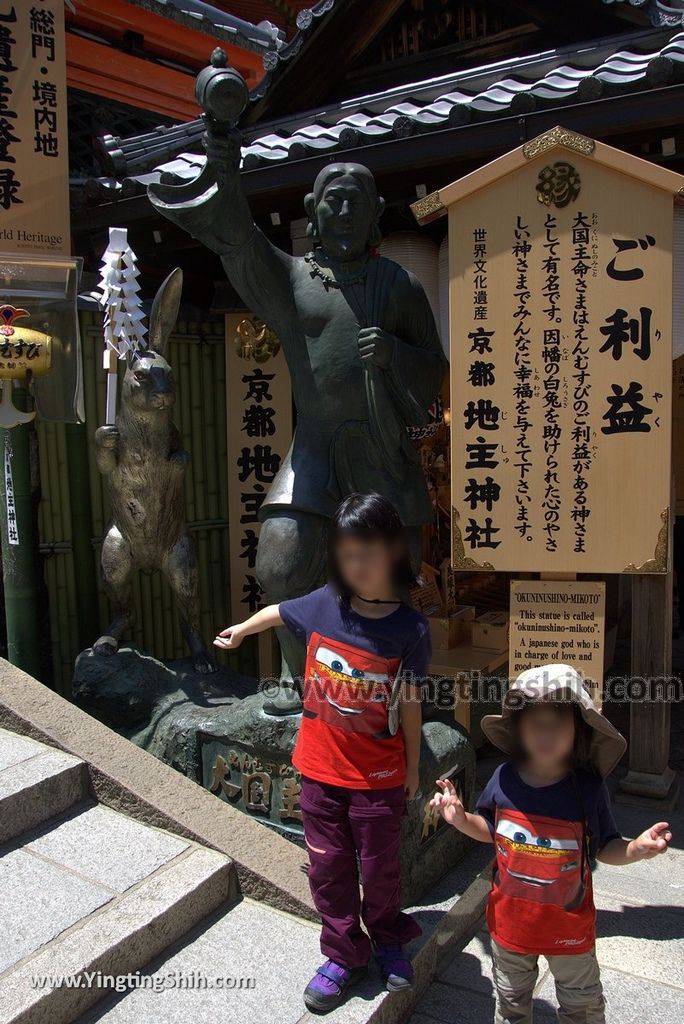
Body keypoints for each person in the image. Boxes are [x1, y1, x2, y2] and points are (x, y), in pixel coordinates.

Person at [150, 126, 446, 715]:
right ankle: (298, 675)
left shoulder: (399, 286)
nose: (342, 212)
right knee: (281, 563)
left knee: (391, 579)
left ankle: (382, 687)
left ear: (374, 216)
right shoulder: (293, 281)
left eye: (354, 203)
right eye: (331, 200)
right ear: (312, 211)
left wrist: (395, 354)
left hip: (381, 455)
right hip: (313, 449)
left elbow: (434, 369)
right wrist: (220, 150)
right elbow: (239, 241)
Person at [214, 493, 431, 1012]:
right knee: (329, 869)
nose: (358, 565)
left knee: (380, 869)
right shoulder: (323, 603)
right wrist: (243, 630)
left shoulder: (411, 629)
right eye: (347, 553)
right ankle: (341, 953)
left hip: (379, 776)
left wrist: (414, 768)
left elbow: (411, 703)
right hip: (319, 773)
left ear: (394, 550)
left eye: (369, 552)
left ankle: (387, 938)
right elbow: (278, 611)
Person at [430, 664, 672, 1024]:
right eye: (535, 722)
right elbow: (490, 829)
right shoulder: (504, 779)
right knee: (511, 1003)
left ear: (579, 731)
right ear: (517, 729)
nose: (546, 733)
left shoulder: (587, 788)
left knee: (582, 1006)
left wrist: (635, 849)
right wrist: (460, 818)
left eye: (558, 723)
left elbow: (605, 846)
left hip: (570, 931)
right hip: (510, 928)